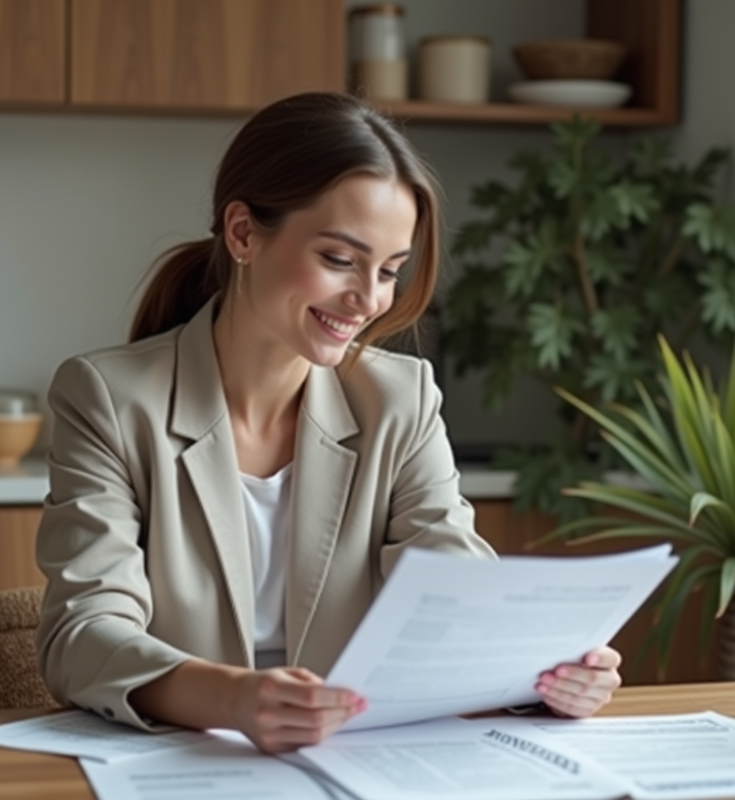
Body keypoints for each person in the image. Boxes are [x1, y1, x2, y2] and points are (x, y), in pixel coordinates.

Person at [35, 91, 621, 754]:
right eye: (340, 260)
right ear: (243, 233)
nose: (369, 299)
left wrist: (542, 673)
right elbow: (81, 636)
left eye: (390, 271)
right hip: (181, 762)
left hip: (359, 763)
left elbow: (455, 592)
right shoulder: (109, 397)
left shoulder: (400, 401)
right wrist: (235, 697)